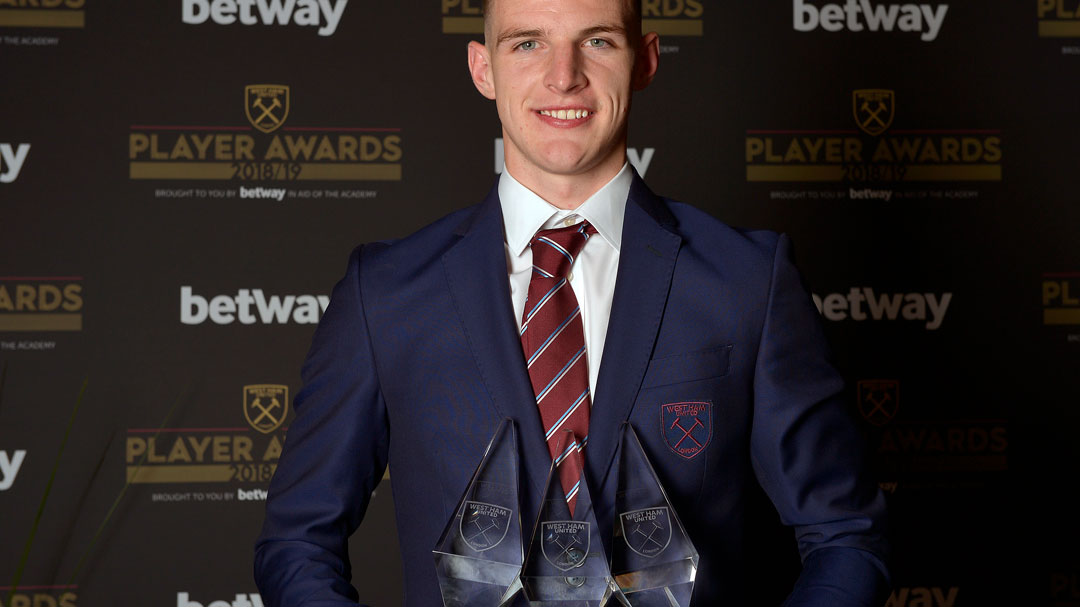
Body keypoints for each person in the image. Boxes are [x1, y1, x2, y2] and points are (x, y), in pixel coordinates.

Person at [253, 0, 891, 604]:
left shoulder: (747, 280)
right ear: (483, 68)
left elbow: (847, 535)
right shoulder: (385, 292)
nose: (564, 77)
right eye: (528, 43)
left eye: (597, 41)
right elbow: (297, 541)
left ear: (645, 60)